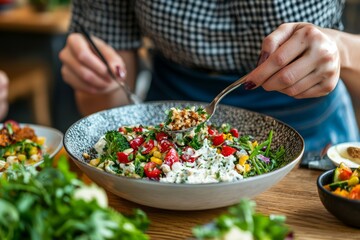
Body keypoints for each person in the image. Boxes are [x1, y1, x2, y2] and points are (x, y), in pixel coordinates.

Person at [59, 1, 360, 152]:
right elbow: (108, 104)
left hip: (311, 140)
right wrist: (96, 77)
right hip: (164, 139)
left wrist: (341, 50)